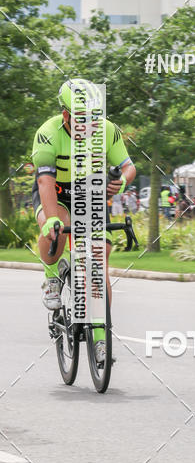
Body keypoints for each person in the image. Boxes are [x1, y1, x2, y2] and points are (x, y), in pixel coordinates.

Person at [32, 78, 136, 366]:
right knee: (57, 229)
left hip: (87, 192)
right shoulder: (48, 133)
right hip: (54, 190)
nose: (90, 125)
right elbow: (44, 181)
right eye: (82, 119)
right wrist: (52, 219)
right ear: (65, 115)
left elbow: (128, 167)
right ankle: (52, 278)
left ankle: (101, 338)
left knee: (100, 257)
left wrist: (122, 183)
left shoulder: (108, 130)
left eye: (94, 118)